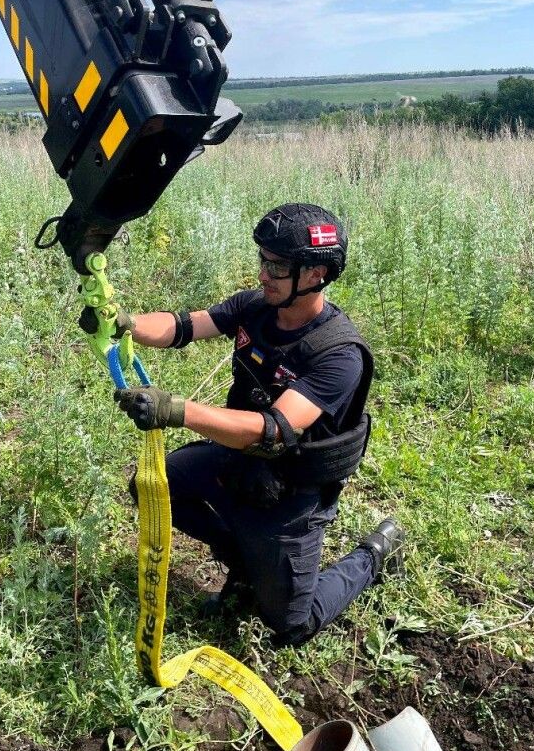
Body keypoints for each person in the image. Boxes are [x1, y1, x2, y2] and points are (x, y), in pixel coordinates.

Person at [100, 203, 404, 647]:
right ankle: (244, 558)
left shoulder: (339, 354)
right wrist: (125, 324)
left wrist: (176, 410)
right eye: (263, 260)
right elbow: (184, 326)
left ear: (316, 274)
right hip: (236, 459)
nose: (263, 274)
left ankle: (374, 556)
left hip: (290, 490)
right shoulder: (255, 307)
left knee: (291, 625)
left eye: (277, 266)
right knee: (152, 486)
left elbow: (274, 429)